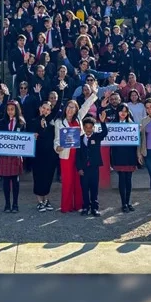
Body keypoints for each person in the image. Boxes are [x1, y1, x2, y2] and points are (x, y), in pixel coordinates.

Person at [53, 81, 99, 213]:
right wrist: (58, 147)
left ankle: (79, 205)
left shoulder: (79, 118)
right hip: (66, 154)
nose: (70, 109)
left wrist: (94, 92)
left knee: (79, 180)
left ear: (76, 109)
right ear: (65, 108)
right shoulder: (59, 122)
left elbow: (87, 104)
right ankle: (66, 206)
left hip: (79, 154)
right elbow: (56, 139)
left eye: (73, 107)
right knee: (67, 182)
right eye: (69, 107)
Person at [0, 101, 26, 213]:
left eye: (12, 109)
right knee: (6, 181)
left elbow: (25, 139)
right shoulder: (2, 122)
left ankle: (15, 204)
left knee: (15, 180)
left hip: (16, 155)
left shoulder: (21, 122)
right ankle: (7, 204)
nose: (10, 111)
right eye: (8, 109)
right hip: (4, 154)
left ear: (16, 110)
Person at [76, 112, 108, 216]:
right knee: (84, 188)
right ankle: (86, 207)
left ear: (94, 128)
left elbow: (105, 133)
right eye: (86, 127)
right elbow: (78, 155)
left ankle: (95, 208)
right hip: (84, 168)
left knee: (94, 188)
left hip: (94, 167)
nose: (88, 129)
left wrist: (102, 122)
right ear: (83, 128)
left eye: (90, 127)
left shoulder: (97, 137)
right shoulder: (79, 139)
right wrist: (79, 168)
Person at [30, 101, 60, 212]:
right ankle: (39, 201)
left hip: (50, 155)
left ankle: (46, 200)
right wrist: (38, 130)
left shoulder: (52, 121)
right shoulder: (34, 121)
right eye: (44, 108)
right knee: (38, 178)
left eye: (48, 109)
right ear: (40, 108)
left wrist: (61, 90)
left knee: (48, 178)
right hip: (38, 155)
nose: (45, 111)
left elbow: (57, 107)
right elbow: (31, 136)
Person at [110, 103, 138, 213]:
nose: (123, 113)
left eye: (125, 111)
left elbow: (136, 141)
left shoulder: (132, 124)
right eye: (121, 110)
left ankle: (128, 201)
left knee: (128, 180)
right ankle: (123, 203)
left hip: (130, 155)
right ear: (117, 112)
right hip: (118, 155)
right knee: (121, 179)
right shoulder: (113, 124)